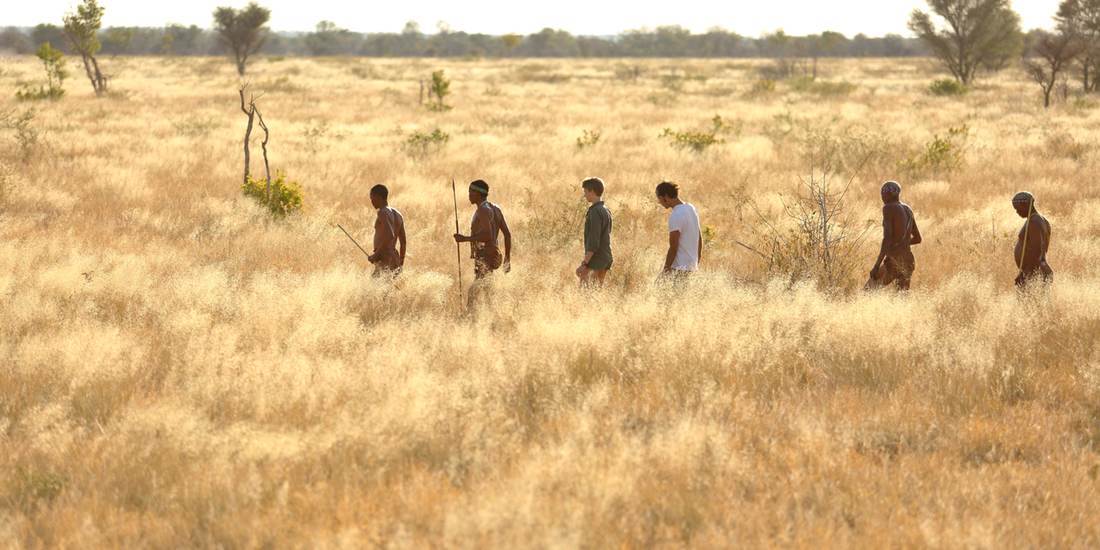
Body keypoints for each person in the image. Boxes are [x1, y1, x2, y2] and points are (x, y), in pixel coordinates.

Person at [453, 180, 512, 304]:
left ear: (478, 194)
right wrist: (507, 258)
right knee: (487, 291)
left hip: (485, 256)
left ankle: (470, 319)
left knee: (474, 293)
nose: (468, 194)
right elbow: (507, 234)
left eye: (470, 191)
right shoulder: (495, 208)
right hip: (493, 254)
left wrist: (465, 238)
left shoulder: (482, 210)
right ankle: (491, 318)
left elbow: (487, 235)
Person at [869, 181, 922, 291]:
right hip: (908, 260)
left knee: (868, 292)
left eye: (882, 194)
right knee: (901, 299)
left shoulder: (888, 208)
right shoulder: (908, 209)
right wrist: (903, 243)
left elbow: (887, 239)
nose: (882, 198)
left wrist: (877, 265)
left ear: (887, 194)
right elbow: (918, 239)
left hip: (894, 261)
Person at [655, 181, 701, 280]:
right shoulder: (691, 208)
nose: (659, 202)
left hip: (679, 267)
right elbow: (699, 237)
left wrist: (665, 271)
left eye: (659, 198)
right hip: (691, 265)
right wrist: (696, 260)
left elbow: (673, 248)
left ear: (665, 197)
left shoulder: (676, 215)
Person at [577, 177, 613, 287]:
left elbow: (594, 241)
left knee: (586, 294)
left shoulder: (595, 212)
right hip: (605, 257)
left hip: (596, 260)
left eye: (585, 192)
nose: (584, 195)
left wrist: (584, 264)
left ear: (592, 191)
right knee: (596, 293)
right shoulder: (605, 209)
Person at [1012, 191, 1053, 288]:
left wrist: (1025, 273)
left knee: (1028, 302)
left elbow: (1037, 250)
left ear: (1026, 205)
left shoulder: (1034, 222)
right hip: (1036, 271)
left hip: (1035, 272)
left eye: (1018, 209)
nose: (1017, 212)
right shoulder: (1040, 220)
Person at [366, 184, 406, 278]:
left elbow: (390, 235)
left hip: (384, 259)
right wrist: (400, 262)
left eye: (372, 198)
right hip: (394, 259)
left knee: (374, 290)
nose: (371, 202)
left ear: (379, 197)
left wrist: (376, 255)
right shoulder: (398, 214)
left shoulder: (382, 212)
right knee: (388, 291)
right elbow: (403, 242)